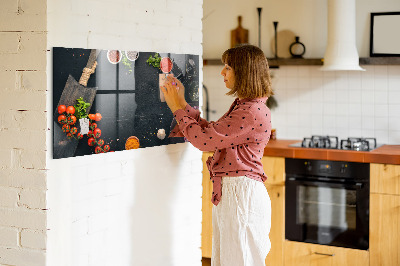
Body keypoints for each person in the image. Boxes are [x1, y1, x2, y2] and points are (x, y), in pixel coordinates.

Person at [161, 44, 273, 266]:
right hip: (236, 193)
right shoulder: (246, 106)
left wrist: (176, 108)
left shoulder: (250, 111)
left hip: (241, 195)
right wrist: (182, 103)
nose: (222, 72)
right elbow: (212, 133)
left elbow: (204, 141)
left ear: (244, 72)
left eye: (228, 67)